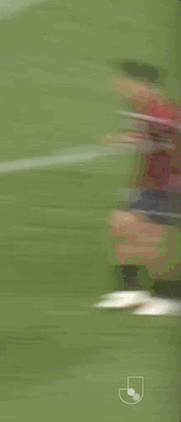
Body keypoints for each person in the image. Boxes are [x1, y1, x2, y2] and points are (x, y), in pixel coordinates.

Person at [95, 60, 181, 316]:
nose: (118, 86)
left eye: (124, 82)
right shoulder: (140, 108)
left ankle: (168, 296)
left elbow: (167, 137)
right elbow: (146, 137)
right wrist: (129, 139)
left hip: (169, 184)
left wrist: (139, 141)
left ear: (142, 84)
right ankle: (130, 292)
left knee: (152, 237)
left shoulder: (164, 111)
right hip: (147, 181)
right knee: (120, 224)